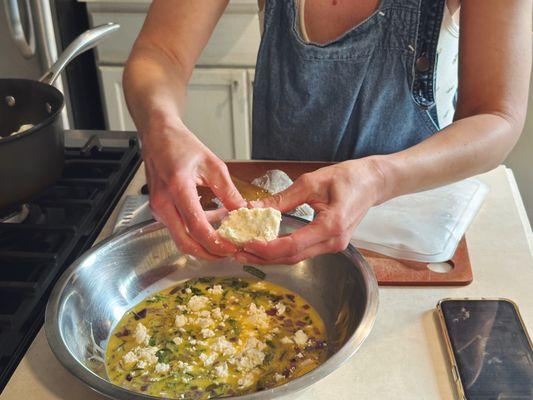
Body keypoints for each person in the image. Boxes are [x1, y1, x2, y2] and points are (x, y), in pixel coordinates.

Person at [123, 0, 531, 265]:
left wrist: (379, 177)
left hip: (408, 230)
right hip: (281, 224)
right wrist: (162, 127)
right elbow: (162, 54)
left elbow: (495, 116)